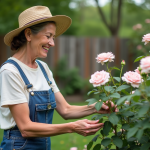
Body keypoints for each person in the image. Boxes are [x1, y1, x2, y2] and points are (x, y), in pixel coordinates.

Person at [0, 6, 117, 150]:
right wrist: (72, 127)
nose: (52, 43)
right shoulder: (10, 71)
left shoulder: (43, 68)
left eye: (53, 38)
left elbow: (65, 110)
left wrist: (96, 107)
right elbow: (25, 127)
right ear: (29, 34)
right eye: (48, 36)